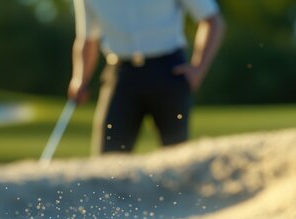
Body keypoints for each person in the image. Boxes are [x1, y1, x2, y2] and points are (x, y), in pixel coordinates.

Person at [69, 0, 225, 154]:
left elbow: (212, 20)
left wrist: (198, 69)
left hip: (168, 72)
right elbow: (87, 38)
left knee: (177, 157)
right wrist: (79, 78)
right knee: (109, 157)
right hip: (120, 75)